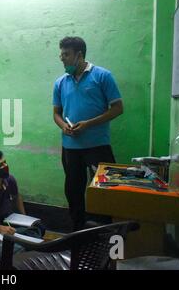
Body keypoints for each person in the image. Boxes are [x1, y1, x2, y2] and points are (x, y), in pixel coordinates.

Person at [53, 36, 123, 231]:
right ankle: (77, 231)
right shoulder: (60, 82)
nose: (62, 58)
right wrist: (63, 127)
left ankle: (103, 232)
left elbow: (117, 108)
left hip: (98, 146)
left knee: (103, 192)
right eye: (61, 54)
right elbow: (56, 114)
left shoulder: (102, 76)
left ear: (79, 55)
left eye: (66, 54)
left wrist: (88, 124)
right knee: (73, 191)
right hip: (70, 148)